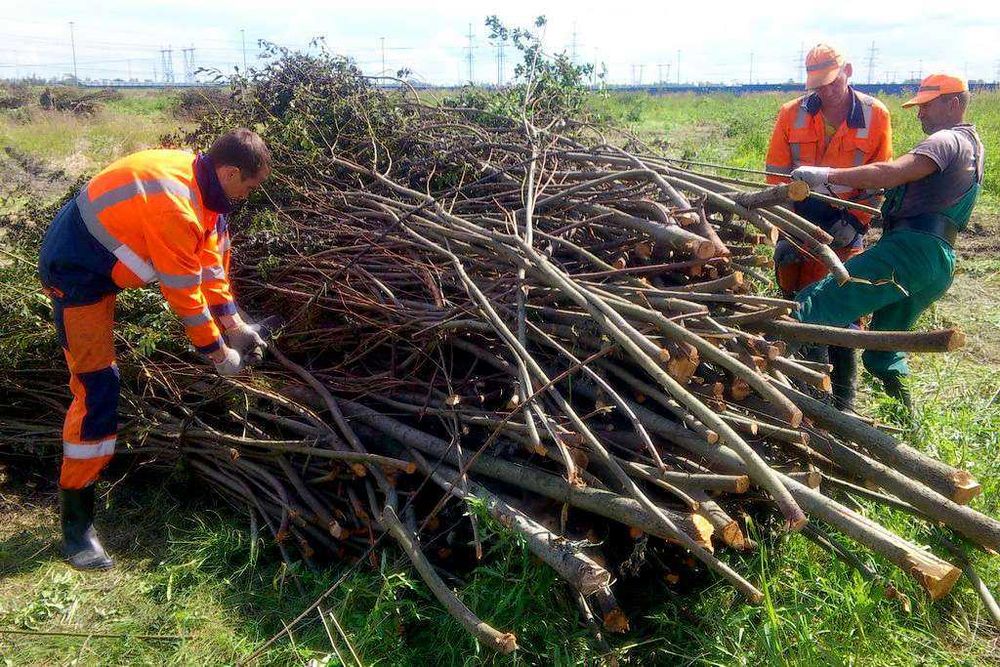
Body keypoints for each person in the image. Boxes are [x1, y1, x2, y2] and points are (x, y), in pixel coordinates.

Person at [38, 129, 273, 570]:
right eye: (248, 186)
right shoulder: (176, 206)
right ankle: (76, 528)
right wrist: (220, 357)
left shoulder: (208, 195)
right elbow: (184, 295)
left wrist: (235, 324)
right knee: (97, 389)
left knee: (101, 387)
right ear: (230, 172)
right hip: (75, 272)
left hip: (106, 264)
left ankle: (79, 519)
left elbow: (211, 267)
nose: (247, 195)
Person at [790, 74, 984, 412]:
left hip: (911, 250)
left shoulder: (946, 141)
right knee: (885, 349)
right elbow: (906, 189)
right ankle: (909, 424)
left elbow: (891, 172)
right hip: (938, 261)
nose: (919, 113)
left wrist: (827, 176)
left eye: (926, 106)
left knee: (814, 303)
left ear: (953, 103)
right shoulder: (973, 147)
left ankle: (809, 405)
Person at [764, 43, 893, 411]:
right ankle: (803, 388)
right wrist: (786, 222)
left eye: (831, 83)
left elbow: (879, 178)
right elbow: (775, 174)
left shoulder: (875, 115)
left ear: (848, 72)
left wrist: (855, 223)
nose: (824, 92)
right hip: (799, 218)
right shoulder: (792, 114)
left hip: (845, 219)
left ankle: (845, 402)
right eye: (816, 85)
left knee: (842, 299)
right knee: (795, 297)